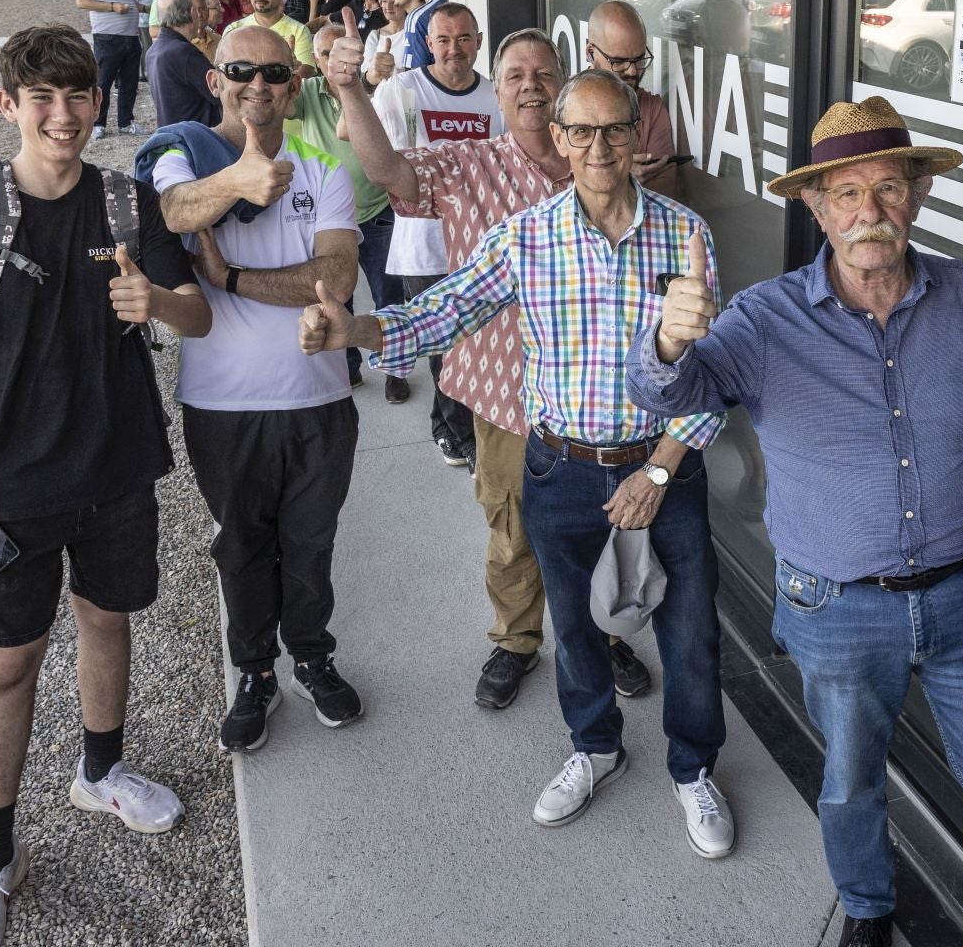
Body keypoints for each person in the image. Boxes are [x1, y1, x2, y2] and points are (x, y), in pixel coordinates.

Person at [627, 94, 963, 947]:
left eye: (891, 188)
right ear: (816, 207)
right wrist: (671, 340)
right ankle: (867, 910)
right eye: (848, 193)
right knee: (851, 783)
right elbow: (674, 397)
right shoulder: (763, 321)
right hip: (837, 607)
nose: (871, 211)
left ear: (919, 196)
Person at [300, 67, 735, 857]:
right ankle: (595, 747)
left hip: (663, 468)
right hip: (560, 468)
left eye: (614, 129)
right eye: (583, 131)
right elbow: (443, 311)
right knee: (571, 627)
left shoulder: (687, 235)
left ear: (636, 137)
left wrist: (661, 471)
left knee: (690, 632)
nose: (599, 147)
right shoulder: (528, 237)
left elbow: (713, 374)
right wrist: (356, 333)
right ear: (561, 140)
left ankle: (692, 767)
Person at [0, 25, 210, 946]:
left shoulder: (128, 207)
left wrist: (154, 303)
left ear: (95, 102)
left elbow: (196, 312)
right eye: (41, 98)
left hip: (118, 466)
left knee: (107, 619)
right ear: (9, 104)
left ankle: (101, 772)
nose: (63, 115)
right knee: (8, 661)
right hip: (10, 483)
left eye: (78, 96)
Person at [330, 20, 656, 708]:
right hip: (507, 391)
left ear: (564, 87)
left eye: (544, 75)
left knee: (603, 527)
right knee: (512, 526)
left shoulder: (597, 162)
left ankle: (604, 634)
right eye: (515, 76)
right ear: (497, 95)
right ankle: (516, 640)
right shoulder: (467, 162)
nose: (531, 87)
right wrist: (350, 90)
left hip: (595, 394)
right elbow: (387, 169)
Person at [150, 24, 366, 752]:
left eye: (275, 74)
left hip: (317, 396)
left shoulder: (322, 169)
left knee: (311, 542)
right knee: (241, 547)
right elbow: (176, 211)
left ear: (294, 86)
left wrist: (233, 279)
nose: (258, 85)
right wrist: (238, 180)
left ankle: (312, 656)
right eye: (240, 70)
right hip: (224, 402)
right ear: (215, 80)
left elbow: (336, 280)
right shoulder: (183, 154)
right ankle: (254, 673)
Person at [368, 1, 498, 469]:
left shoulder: (495, 96)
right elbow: (356, 135)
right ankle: (450, 431)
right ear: (427, 43)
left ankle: (460, 426)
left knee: (475, 343)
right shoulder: (403, 89)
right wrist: (363, 82)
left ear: (478, 41)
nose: (454, 49)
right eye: (443, 39)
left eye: (464, 38)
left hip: (480, 246)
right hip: (424, 247)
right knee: (443, 345)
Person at [290, 19, 394, 390]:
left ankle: (393, 369)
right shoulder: (307, 92)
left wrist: (367, 79)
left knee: (388, 294)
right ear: (317, 60)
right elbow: (282, 105)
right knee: (336, 295)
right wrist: (287, 70)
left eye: (341, 50)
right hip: (330, 221)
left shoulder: (376, 88)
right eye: (325, 54)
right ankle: (349, 365)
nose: (336, 61)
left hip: (376, 211)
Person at [587, 1, 681, 192]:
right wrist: (622, 177)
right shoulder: (565, 104)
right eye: (618, 61)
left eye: (639, 59)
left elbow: (665, 191)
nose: (632, 71)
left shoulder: (652, 109)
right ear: (590, 52)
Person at [74, 0, 144, 139]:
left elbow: (129, 2)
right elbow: (82, 1)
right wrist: (112, 7)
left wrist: (147, 8)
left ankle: (126, 121)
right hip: (108, 37)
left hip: (131, 36)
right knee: (103, 83)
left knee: (130, 82)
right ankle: (99, 123)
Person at [228, 0, 316, 83]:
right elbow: (226, 71)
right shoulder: (234, 29)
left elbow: (307, 71)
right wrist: (283, 70)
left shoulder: (299, 30)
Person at [148, 0, 218, 127]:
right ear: (191, 12)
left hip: (171, 133)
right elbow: (217, 91)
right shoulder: (183, 52)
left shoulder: (153, 50)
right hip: (194, 136)